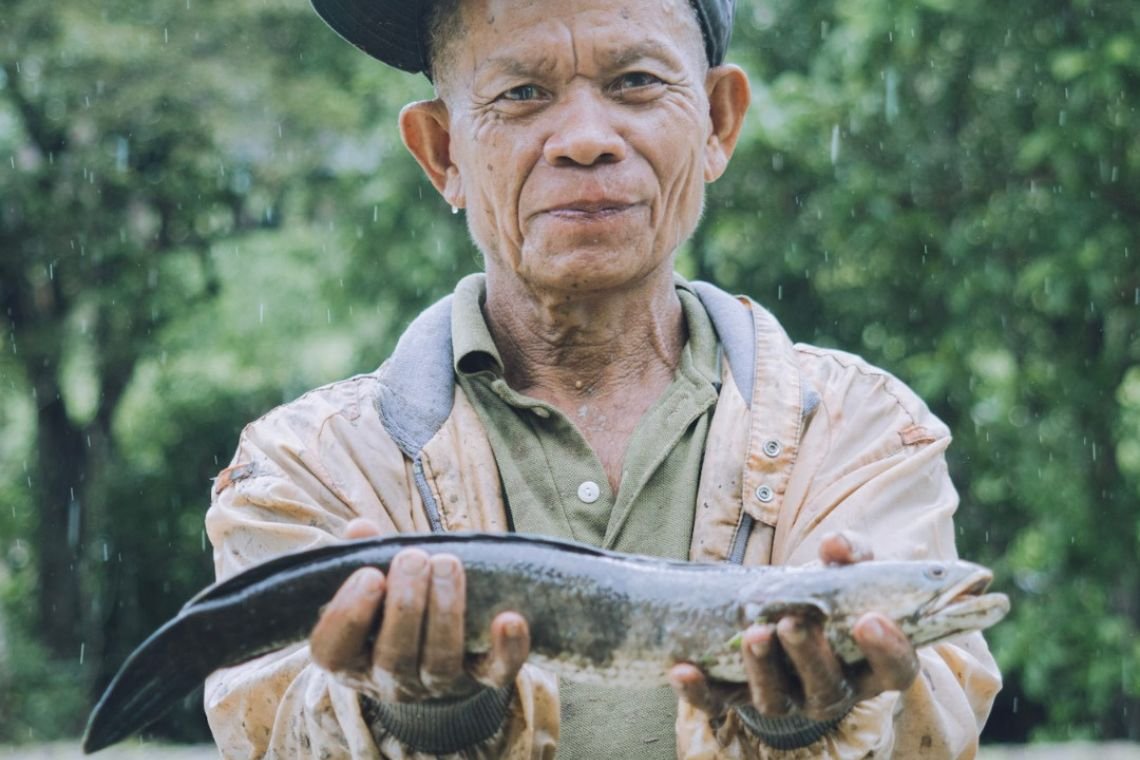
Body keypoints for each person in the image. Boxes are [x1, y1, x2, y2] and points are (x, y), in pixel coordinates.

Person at [202, 0, 1002, 756]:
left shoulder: (864, 431)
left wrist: (813, 721)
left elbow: (938, 725)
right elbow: (265, 731)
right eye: (522, 93)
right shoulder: (307, 466)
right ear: (442, 152)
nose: (586, 139)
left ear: (718, 121)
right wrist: (420, 716)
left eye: (636, 82)